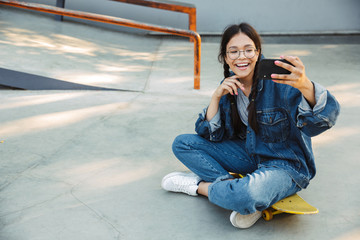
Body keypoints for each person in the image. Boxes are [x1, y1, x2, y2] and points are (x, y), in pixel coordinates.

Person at [161, 23, 340, 229]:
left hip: (286, 166)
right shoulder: (230, 85)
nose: (242, 57)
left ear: (257, 53)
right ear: (225, 58)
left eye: (248, 50)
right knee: (182, 144)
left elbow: (323, 121)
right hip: (250, 156)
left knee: (246, 195)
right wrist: (216, 97)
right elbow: (209, 135)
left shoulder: (280, 82)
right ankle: (236, 192)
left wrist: (305, 85)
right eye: (234, 51)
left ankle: (201, 187)